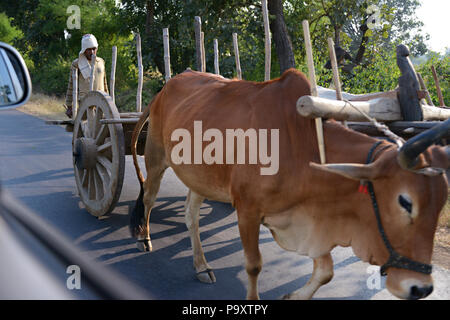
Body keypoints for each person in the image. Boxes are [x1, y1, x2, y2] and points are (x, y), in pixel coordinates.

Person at [64, 34, 108, 118]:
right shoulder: (77, 64)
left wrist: (109, 101)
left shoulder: (101, 62)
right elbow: (71, 85)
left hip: (101, 101)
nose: (91, 52)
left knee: (101, 127)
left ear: (97, 49)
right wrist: (69, 106)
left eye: (93, 49)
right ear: (84, 50)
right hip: (85, 102)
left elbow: (105, 83)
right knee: (86, 128)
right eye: (88, 50)